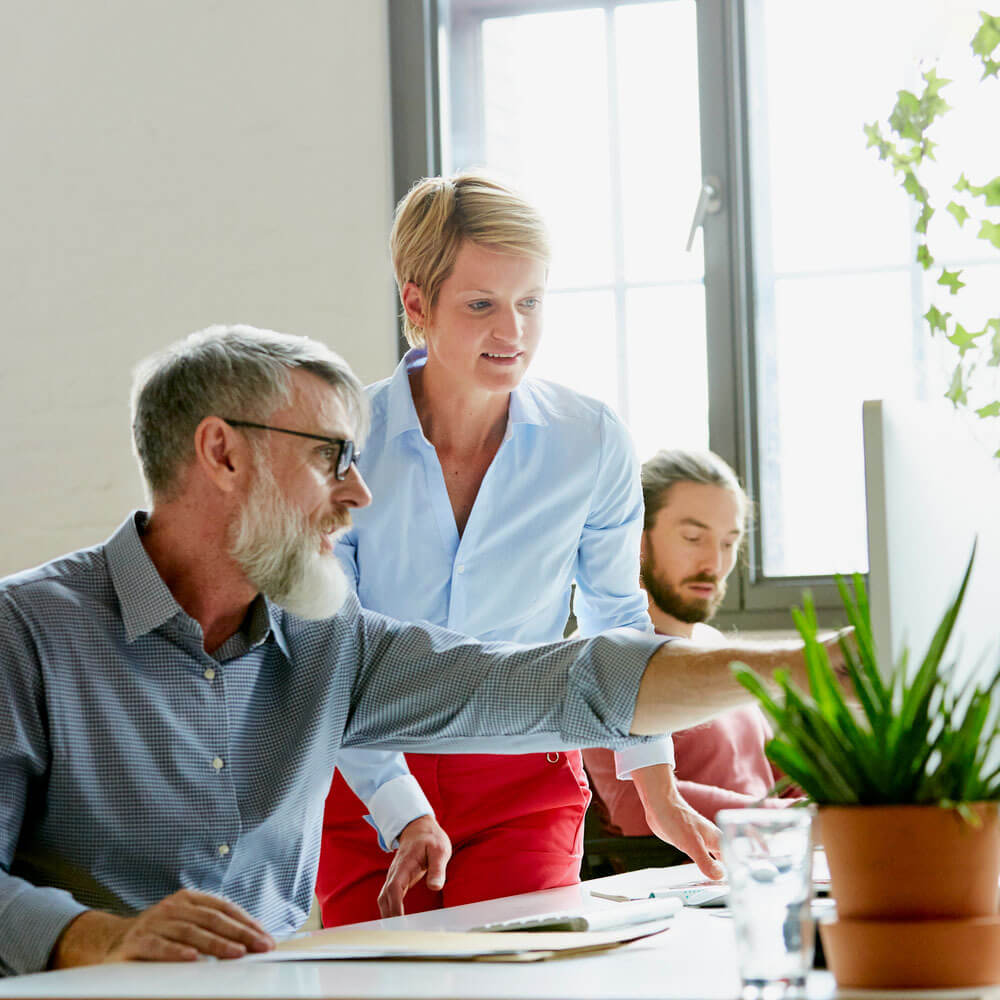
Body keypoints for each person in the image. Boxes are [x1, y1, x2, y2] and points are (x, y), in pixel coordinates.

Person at [0, 324, 838, 976]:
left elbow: (559, 686)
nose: (358, 494)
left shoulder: (327, 645)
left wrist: (794, 668)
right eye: (331, 458)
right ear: (222, 452)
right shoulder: (26, 633)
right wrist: (99, 938)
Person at [316, 173, 719, 927]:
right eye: (481, 305)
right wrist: (401, 808)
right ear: (416, 304)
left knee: (516, 973)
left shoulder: (589, 440)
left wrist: (654, 785)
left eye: (530, 302)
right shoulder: (341, 447)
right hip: (365, 775)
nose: (514, 332)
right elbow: (328, 647)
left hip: (525, 774)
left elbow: (614, 614)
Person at [584, 449, 803, 835]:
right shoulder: (604, 654)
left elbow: (775, 772)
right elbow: (631, 805)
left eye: (728, 544)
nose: (714, 564)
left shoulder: (711, 643)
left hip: (762, 863)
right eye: (693, 537)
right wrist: (781, 820)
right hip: (684, 877)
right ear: (635, 538)